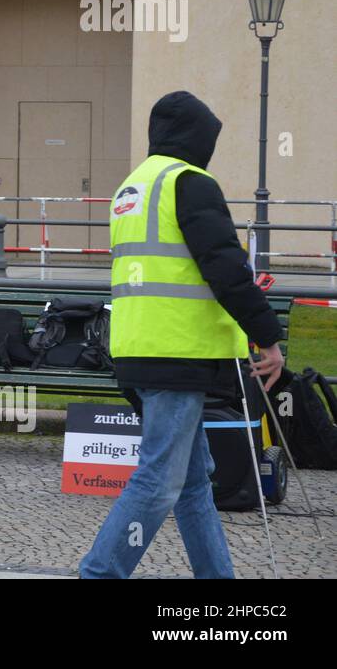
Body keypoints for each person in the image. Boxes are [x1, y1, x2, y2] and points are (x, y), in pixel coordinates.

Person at [80, 91, 284, 579]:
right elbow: (226, 267)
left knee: (193, 484)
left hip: (135, 349)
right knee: (159, 482)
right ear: (198, 138)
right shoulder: (190, 183)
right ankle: (100, 573)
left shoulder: (132, 187)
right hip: (176, 354)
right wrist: (267, 335)